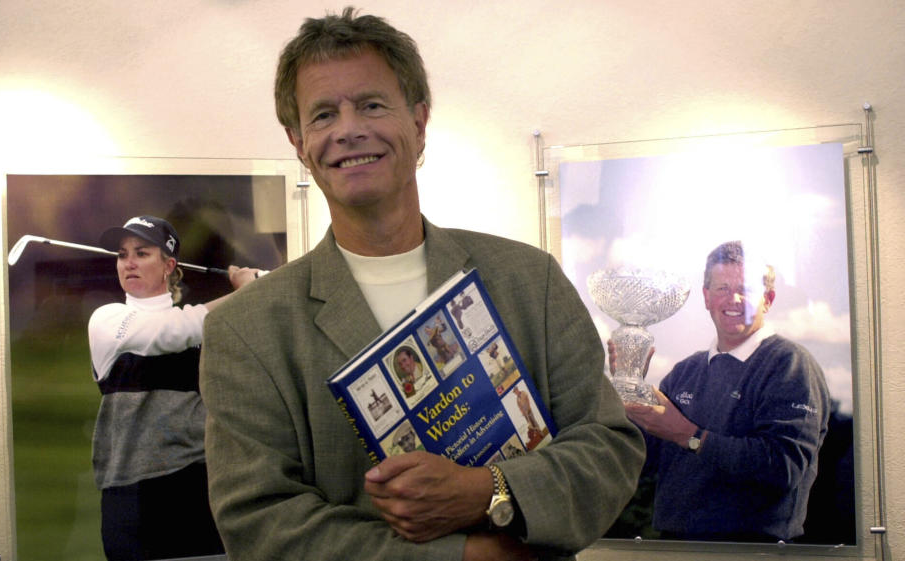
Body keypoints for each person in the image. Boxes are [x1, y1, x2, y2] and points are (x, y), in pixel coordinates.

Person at [199, 8, 645, 561]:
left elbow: (609, 449)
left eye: (371, 104)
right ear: (298, 142)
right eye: (322, 115)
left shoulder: (530, 281)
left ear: (419, 120)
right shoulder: (246, 329)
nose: (347, 129)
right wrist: (465, 556)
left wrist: (490, 493)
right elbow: (259, 521)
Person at [612, 240, 830, 542]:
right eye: (722, 289)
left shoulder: (790, 365)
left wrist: (688, 435)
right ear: (706, 297)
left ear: (768, 299)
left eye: (747, 289)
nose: (734, 299)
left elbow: (784, 468)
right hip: (673, 547)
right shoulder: (684, 373)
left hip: (756, 550)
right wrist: (629, 391)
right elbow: (643, 460)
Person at [88, 215, 261, 560]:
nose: (129, 263)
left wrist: (264, 291)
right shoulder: (107, 320)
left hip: (201, 489)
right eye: (122, 255)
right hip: (132, 497)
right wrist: (251, 292)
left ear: (169, 265)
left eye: (141, 253)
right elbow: (172, 331)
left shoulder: (203, 328)